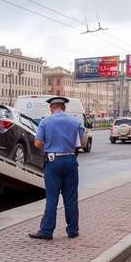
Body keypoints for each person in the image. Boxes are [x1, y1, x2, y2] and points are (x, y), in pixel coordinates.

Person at [29, 96, 85, 240]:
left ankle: (47, 231)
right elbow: (82, 142)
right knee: (71, 197)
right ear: (64, 107)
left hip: (53, 161)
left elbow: (37, 143)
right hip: (70, 159)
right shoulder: (75, 121)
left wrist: (48, 146)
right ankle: (73, 230)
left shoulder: (45, 122)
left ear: (51, 108)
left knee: (52, 198)